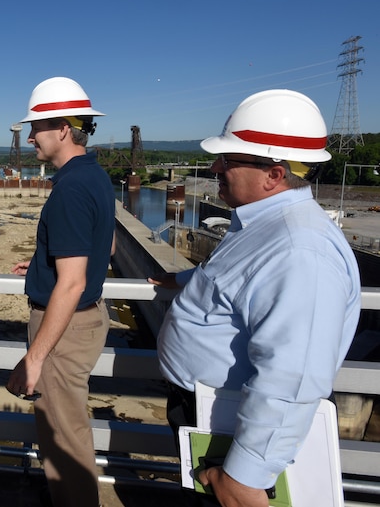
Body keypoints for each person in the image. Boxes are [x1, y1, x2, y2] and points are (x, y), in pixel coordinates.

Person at [150, 89, 362, 507]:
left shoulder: (300, 251)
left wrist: (245, 476)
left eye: (228, 160)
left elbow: (294, 374)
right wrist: (185, 279)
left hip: (235, 434)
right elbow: (242, 280)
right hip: (211, 414)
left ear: (274, 174)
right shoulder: (264, 227)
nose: (215, 168)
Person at [5, 77, 116, 507]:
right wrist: (42, 266)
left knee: (64, 441)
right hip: (84, 319)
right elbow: (102, 247)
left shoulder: (69, 187)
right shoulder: (95, 176)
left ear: (64, 129)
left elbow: (71, 282)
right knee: (68, 431)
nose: (30, 136)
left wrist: (34, 359)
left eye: (36, 127)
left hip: (64, 327)